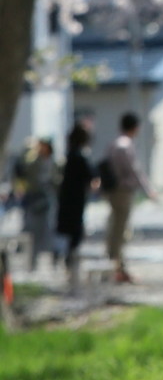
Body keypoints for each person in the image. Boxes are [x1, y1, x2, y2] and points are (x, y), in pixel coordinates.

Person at [102, 113, 156, 283]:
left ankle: (113, 263)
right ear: (135, 127)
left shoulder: (113, 144)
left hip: (112, 191)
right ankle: (118, 267)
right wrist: (148, 189)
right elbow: (134, 170)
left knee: (115, 228)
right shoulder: (125, 146)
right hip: (123, 191)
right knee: (121, 230)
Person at [55, 122, 95, 289]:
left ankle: (68, 261)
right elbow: (91, 176)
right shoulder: (79, 156)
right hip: (76, 200)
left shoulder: (70, 155)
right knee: (74, 233)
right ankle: (71, 264)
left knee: (69, 233)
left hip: (67, 199)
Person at [19, 138, 58, 272]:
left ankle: (53, 260)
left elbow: (54, 180)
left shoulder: (53, 162)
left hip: (47, 200)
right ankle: (32, 262)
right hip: (35, 200)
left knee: (48, 232)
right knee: (32, 232)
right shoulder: (35, 161)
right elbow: (28, 174)